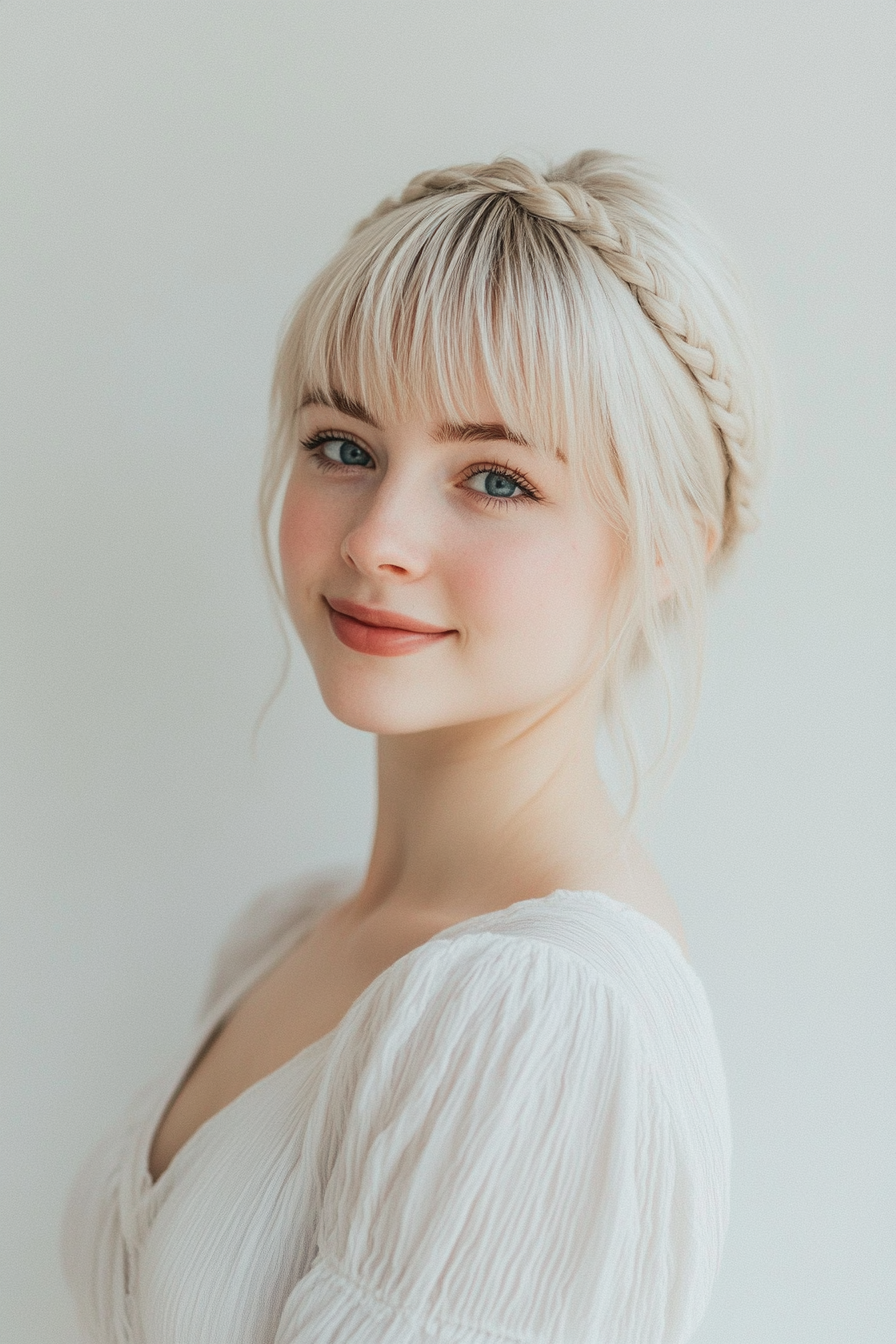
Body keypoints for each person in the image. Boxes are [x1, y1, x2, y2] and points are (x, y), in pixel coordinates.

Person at [62, 150, 771, 1343]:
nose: (379, 537)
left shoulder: (546, 1015)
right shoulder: (288, 934)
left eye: (493, 478)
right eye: (342, 446)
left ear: (665, 552)